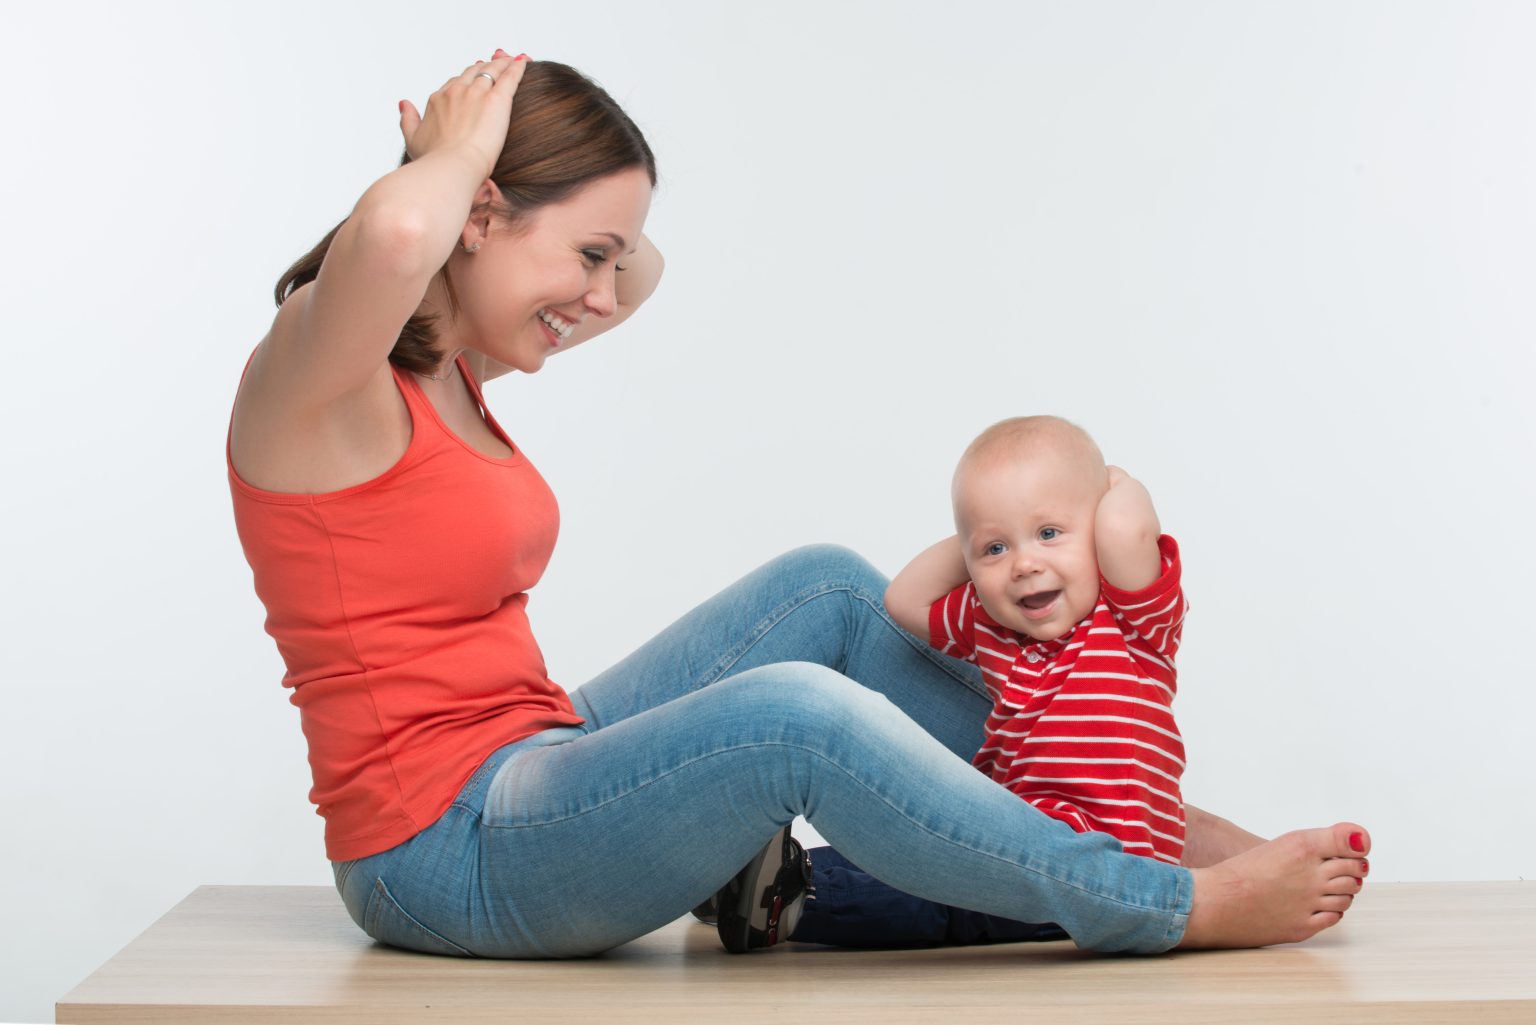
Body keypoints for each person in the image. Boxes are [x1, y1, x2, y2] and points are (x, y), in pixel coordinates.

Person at [225, 50, 1371, 961]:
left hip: (535, 753)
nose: (604, 291)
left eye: (609, 257)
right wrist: (454, 147)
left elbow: (632, 268)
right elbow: (393, 234)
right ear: (474, 212)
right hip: (443, 852)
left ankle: (1128, 810)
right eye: (588, 253)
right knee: (793, 715)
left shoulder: (452, 366)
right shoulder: (316, 384)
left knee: (818, 589)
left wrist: (521, 187)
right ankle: (1162, 898)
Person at [747, 415, 1195, 948]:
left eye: (1049, 534)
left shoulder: (1132, 621)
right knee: (917, 853)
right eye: (997, 550)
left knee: (940, 903)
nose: (1025, 564)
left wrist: (1112, 483)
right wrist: (978, 535)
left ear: (1095, 531)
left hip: (1099, 868)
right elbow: (903, 601)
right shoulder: (993, 624)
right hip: (1005, 841)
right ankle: (743, 880)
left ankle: (792, 895)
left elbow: (1129, 531)